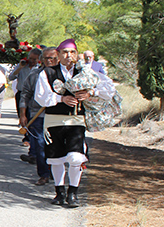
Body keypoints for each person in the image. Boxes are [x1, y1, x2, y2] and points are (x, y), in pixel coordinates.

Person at [35, 39, 116, 207]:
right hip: (53, 121)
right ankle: (59, 192)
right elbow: (40, 96)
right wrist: (61, 98)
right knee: (56, 158)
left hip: (76, 120)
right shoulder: (48, 73)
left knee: (75, 157)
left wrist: (90, 93)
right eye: (64, 52)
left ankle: (73, 192)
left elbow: (108, 90)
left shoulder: (85, 72)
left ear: (77, 54)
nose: (68, 56)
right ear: (58, 55)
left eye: (72, 52)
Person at [19, 47, 57, 186]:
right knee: (40, 145)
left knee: (54, 145)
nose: (50, 61)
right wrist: (23, 115)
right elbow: (25, 94)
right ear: (41, 60)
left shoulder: (62, 75)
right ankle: (44, 174)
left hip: (57, 116)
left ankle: (55, 171)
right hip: (37, 115)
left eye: (53, 58)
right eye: (46, 58)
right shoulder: (34, 75)